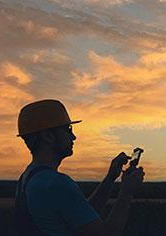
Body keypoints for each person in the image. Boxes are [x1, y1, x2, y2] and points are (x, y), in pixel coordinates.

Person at [15, 99, 145, 236]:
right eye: (67, 130)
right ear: (47, 136)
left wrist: (110, 178)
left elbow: (83, 216)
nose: (73, 137)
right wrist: (127, 193)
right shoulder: (56, 184)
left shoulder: (28, 178)